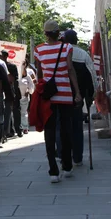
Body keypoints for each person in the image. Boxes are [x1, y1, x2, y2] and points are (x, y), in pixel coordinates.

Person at [34, 20, 82, 183]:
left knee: (50, 131)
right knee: (66, 130)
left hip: (48, 96)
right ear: (58, 33)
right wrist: (77, 92)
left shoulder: (39, 49)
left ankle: (53, 170)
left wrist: (42, 89)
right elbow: (70, 70)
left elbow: (39, 73)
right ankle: (67, 166)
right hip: (65, 94)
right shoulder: (67, 48)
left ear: (45, 34)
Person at [62, 29, 98, 166]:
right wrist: (91, 95)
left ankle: (62, 154)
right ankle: (77, 157)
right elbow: (92, 75)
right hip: (78, 97)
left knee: (62, 126)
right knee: (77, 127)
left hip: (61, 96)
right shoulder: (83, 54)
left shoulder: (61, 52)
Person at [0, 50, 22, 138]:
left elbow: (14, 79)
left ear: (5, 56)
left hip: (11, 90)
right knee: (6, 112)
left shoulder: (11, 66)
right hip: (2, 91)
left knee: (15, 110)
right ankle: (9, 131)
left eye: (0, 56)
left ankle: (18, 129)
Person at [19, 61, 35, 134]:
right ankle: (18, 127)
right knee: (15, 113)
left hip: (24, 98)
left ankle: (25, 127)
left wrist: (28, 91)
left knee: (23, 112)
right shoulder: (17, 75)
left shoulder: (28, 75)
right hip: (16, 97)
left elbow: (32, 85)